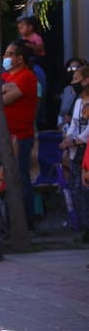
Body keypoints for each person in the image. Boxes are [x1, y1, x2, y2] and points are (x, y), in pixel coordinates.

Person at [0, 39, 39, 229]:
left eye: (10, 54)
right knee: (0, 179)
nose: (6, 58)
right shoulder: (5, 77)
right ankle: (8, 223)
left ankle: (24, 223)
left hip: (18, 137)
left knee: (19, 177)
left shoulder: (26, 77)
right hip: (0, 137)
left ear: (20, 58)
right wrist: (2, 88)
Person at [59, 66, 89, 244]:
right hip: (75, 152)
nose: (73, 82)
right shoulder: (78, 103)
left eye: (77, 78)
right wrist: (68, 138)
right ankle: (84, 226)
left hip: (85, 149)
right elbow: (73, 126)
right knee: (77, 190)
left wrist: (77, 140)